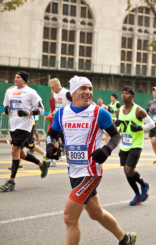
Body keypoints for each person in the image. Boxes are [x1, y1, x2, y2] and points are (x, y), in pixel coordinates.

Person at [45, 76, 136, 245]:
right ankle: (125, 239)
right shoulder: (62, 113)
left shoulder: (98, 112)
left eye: (90, 89)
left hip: (91, 172)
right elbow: (51, 134)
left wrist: (106, 149)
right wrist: (50, 147)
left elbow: (116, 135)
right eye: (83, 88)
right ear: (73, 92)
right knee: (95, 213)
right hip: (73, 170)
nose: (88, 92)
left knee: (69, 218)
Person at [1, 71, 50, 192]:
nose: (15, 79)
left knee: (14, 150)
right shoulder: (9, 92)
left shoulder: (31, 93)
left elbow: (41, 110)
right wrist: (7, 109)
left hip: (25, 126)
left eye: (18, 77)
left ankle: (11, 181)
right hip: (13, 125)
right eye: (15, 77)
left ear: (24, 80)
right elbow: (6, 105)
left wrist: (27, 113)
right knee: (21, 154)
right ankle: (41, 164)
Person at [115, 86, 155, 206]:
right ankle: (137, 194)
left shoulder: (138, 110)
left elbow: (152, 124)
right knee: (126, 171)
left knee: (129, 170)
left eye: (126, 93)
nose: (123, 95)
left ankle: (144, 185)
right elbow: (118, 128)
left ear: (132, 96)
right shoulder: (119, 111)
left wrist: (139, 127)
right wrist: (115, 125)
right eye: (122, 93)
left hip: (136, 144)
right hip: (124, 144)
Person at [49, 78, 72, 166]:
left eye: (52, 87)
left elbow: (76, 103)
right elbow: (58, 106)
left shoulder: (67, 93)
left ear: (58, 86)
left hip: (67, 121)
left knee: (67, 142)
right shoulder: (55, 94)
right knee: (54, 139)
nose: (52, 89)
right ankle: (54, 159)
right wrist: (53, 113)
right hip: (58, 121)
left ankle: (72, 159)